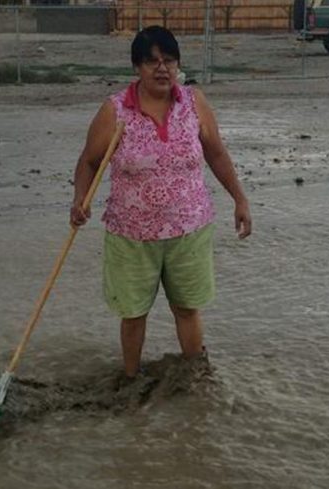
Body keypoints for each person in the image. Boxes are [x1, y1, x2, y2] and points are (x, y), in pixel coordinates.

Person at [70, 26, 251, 378]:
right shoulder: (115, 111)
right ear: (137, 67)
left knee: (187, 309)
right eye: (152, 61)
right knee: (134, 313)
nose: (162, 68)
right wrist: (80, 199)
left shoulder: (193, 103)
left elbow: (216, 153)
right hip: (132, 235)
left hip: (189, 229)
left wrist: (239, 199)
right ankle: (131, 380)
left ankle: (195, 378)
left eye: (169, 60)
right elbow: (89, 161)